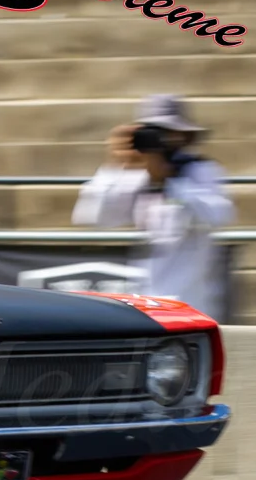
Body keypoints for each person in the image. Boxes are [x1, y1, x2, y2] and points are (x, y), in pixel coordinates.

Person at [72, 95, 234, 319]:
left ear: (183, 135)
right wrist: (115, 165)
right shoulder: (136, 175)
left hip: (191, 302)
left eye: (167, 132)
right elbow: (93, 216)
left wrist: (169, 181)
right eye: (153, 131)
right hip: (146, 301)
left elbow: (219, 215)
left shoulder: (200, 171)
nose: (160, 140)